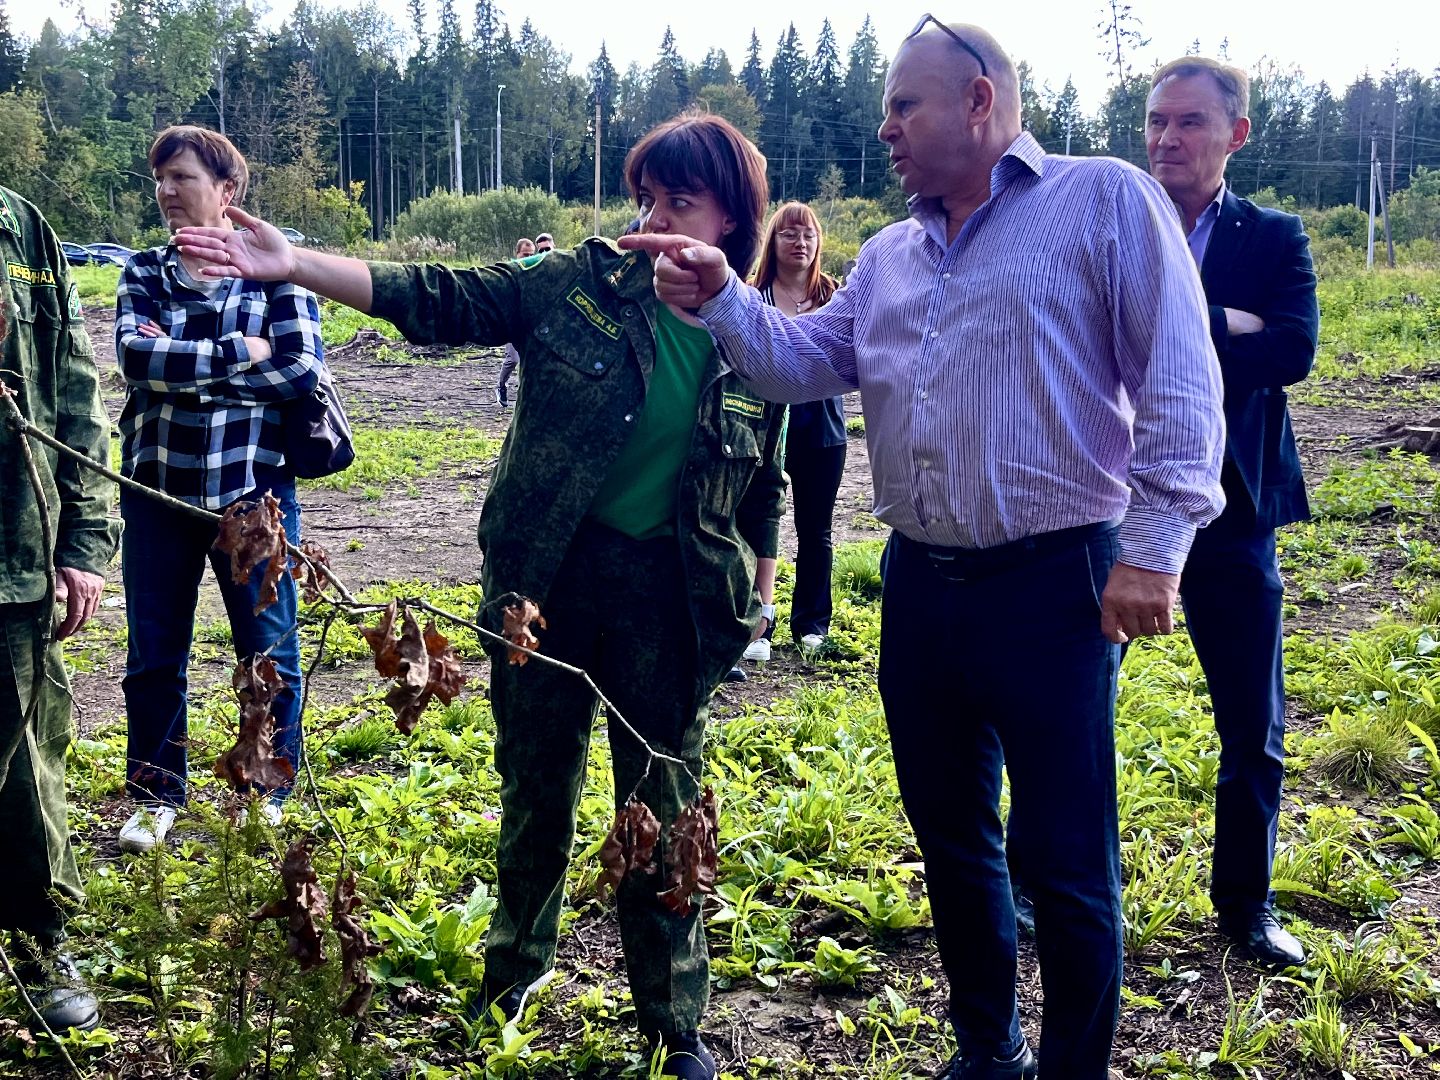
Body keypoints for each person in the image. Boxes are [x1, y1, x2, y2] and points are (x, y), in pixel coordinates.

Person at [624, 21, 1225, 1080]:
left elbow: (1180, 381)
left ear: (980, 102)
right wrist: (723, 294)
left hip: (1059, 582)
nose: (885, 127)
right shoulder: (896, 253)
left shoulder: (1104, 202)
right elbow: (802, 363)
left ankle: (1075, 1067)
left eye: (904, 106)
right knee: (952, 840)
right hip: (922, 586)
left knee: (1066, 860)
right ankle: (988, 1051)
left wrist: (1155, 546)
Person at [174, 111, 785, 1080]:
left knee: (663, 814)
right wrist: (297, 264)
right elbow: (444, 297)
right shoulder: (580, 286)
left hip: (670, 604)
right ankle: (512, 975)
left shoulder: (755, 344)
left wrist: (760, 587)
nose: (653, 218)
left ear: (729, 222)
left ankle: (675, 1025)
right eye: (647, 196)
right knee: (536, 793)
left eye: (681, 202)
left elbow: (763, 487)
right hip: (545, 583)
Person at [1146, 57, 1319, 966]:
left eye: (1189, 124)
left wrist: (1188, 327)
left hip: (1234, 509)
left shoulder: (1274, 235)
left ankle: (1246, 907)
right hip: (1116, 504)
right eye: (1156, 122)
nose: (1167, 139)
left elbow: (1291, 348)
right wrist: (1229, 324)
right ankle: (1033, 885)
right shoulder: (1116, 220)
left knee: (1252, 721)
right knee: (1058, 708)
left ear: (1235, 135)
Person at [114, 125, 324, 853]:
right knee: (154, 655)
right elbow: (136, 360)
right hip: (157, 496)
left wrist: (191, 371)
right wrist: (242, 355)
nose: (168, 192)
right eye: (160, 180)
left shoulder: (276, 273)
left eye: (183, 178)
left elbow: (300, 370)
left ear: (226, 191)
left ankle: (266, 788)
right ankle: (154, 795)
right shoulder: (143, 272)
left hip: (253, 499)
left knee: (267, 650)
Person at [0, 184, 119, 1030]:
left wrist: (83, 540)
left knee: (29, 761)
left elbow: (75, 392)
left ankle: (42, 942)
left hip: (14, 552)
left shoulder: (21, 226)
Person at [753, 203, 844, 652]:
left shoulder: (835, 294)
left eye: (808, 235)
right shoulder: (754, 295)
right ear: (774, 241)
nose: (800, 243)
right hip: (765, 428)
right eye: (790, 234)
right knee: (754, 522)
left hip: (824, 430)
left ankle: (812, 624)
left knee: (817, 529)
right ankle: (756, 623)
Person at [495, 237, 536, 408]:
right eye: (525, 254)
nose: (528, 257)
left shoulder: (536, 270)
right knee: (512, 359)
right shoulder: (509, 272)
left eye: (531, 254)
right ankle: (500, 386)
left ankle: (526, 395)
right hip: (512, 323)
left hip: (531, 324)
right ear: (517, 254)